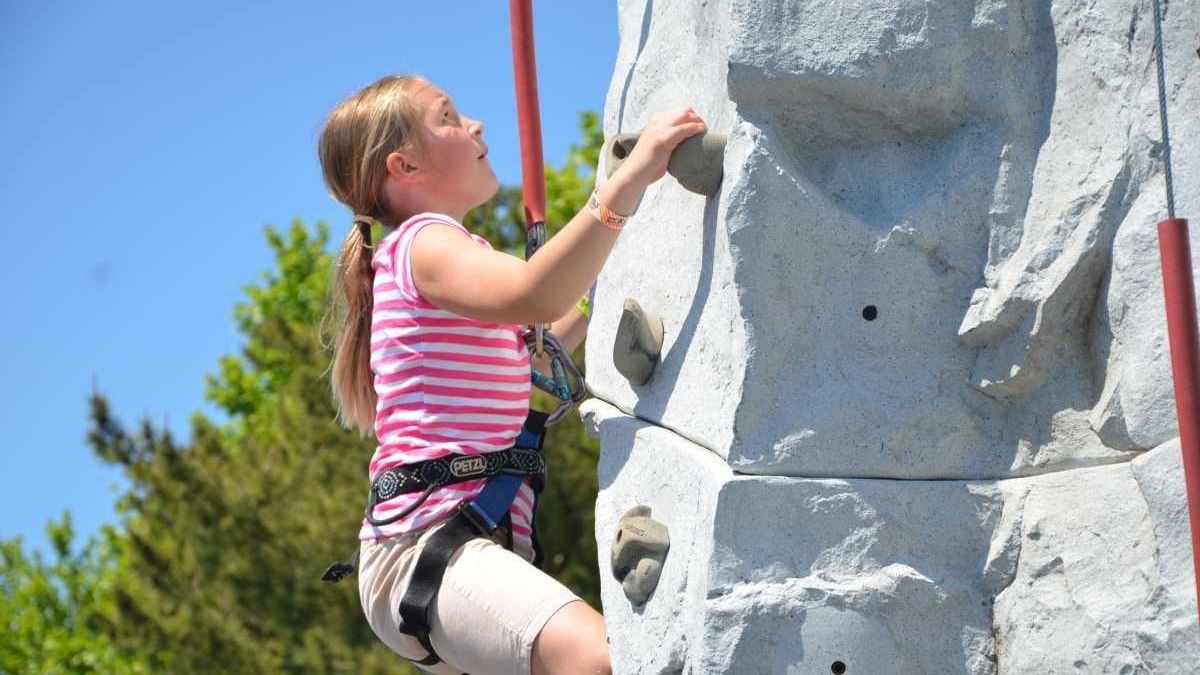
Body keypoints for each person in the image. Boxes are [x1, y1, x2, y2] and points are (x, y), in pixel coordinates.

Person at [318, 74, 706, 675]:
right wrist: (629, 180)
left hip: (456, 548)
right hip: (428, 544)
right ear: (405, 166)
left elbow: (548, 336)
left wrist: (604, 290)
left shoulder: (446, 258)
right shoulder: (422, 242)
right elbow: (536, 292)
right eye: (447, 116)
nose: (475, 124)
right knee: (596, 659)